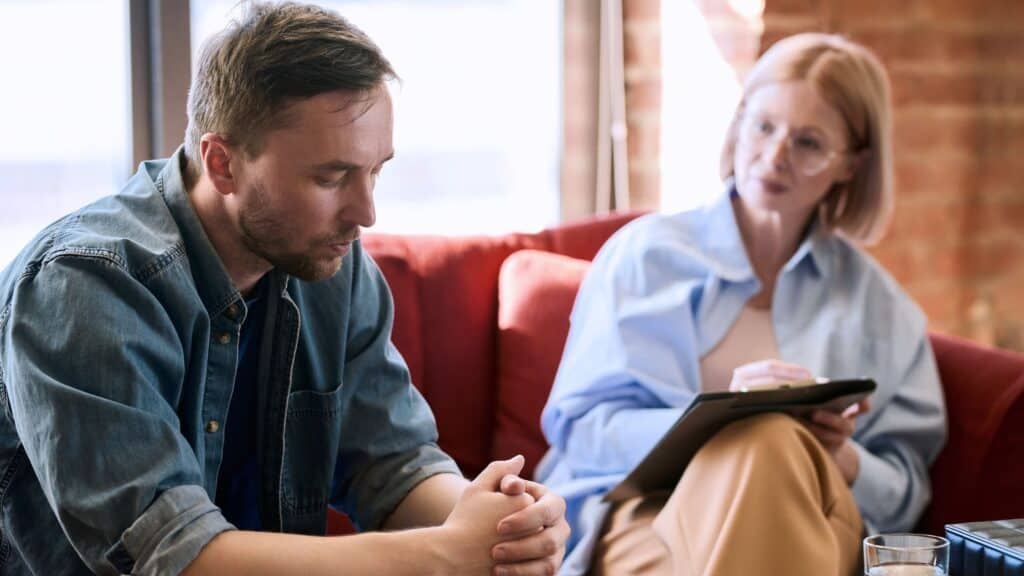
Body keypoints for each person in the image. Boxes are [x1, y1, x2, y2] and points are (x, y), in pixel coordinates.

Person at [0, 3, 568, 575]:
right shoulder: (83, 286)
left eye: (376, 171)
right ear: (222, 163)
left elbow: (392, 462)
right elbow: (172, 556)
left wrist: (498, 526)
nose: (366, 212)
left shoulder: (326, 261)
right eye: (331, 177)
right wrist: (444, 552)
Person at [538, 33, 946, 575]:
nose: (774, 157)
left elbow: (906, 491)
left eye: (808, 143)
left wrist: (841, 458)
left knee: (774, 441)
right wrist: (716, 423)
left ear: (851, 164)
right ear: (739, 122)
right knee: (763, 436)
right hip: (645, 515)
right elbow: (582, 430)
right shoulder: (646, 255)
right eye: (763, 126)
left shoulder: (882, 307)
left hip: (820, 513)